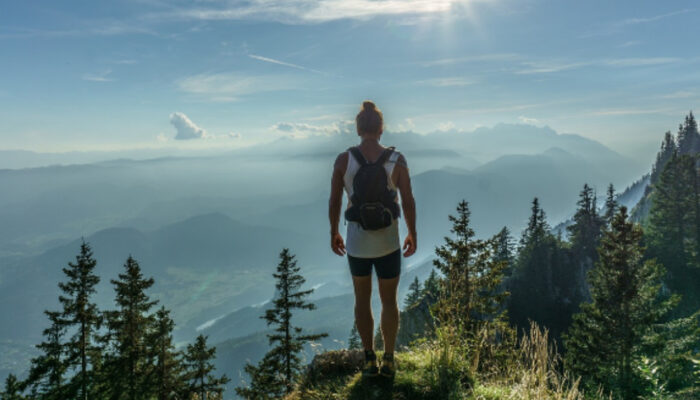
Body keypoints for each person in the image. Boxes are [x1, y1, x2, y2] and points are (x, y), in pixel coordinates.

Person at [328, 100, 417, 378]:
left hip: (357, 244)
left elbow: (334, 200)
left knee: (362, 300)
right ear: (381, 128)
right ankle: (389, 359)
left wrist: (334, 232)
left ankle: (369, 360)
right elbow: (408, 200)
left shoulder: (344, 160)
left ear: (358, 129)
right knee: (389, 301)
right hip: (388, 243)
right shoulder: (397, 160)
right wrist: (413, 232)